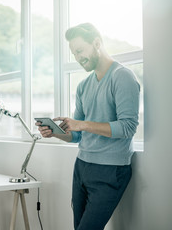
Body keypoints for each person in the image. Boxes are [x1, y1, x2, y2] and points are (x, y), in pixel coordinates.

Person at [36, 23, 140, 230]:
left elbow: (128, 127)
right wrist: (56, 134)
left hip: (111, 170)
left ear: (97, 43)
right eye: (74, 53)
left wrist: (81, 124)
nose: (77, 57)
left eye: (80, 50)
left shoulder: (122, 76)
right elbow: (76, 136)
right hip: (82, 166)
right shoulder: (83, 86)